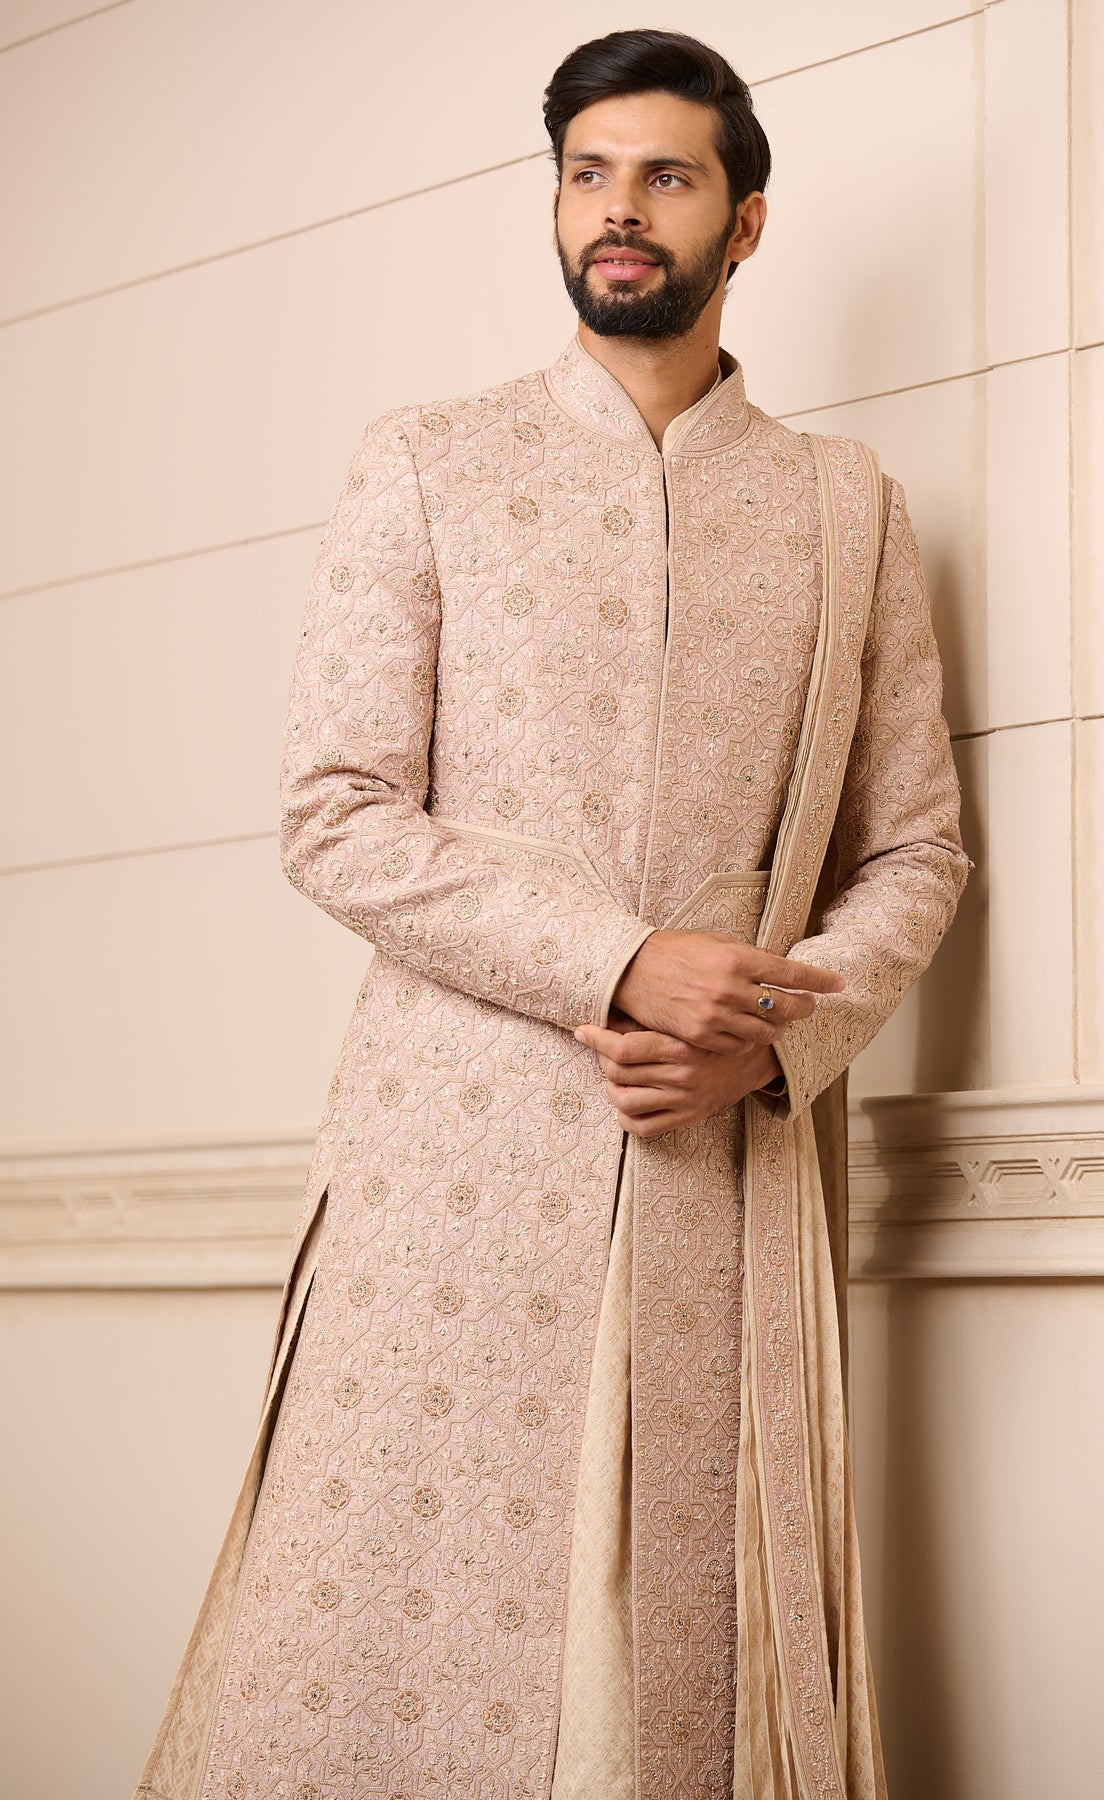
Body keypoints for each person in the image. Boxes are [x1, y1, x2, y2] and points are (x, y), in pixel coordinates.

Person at [135, 28, 968, 1800]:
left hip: (712, 1162)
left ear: (745, 221)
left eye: (666, 175)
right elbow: (336, 813)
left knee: (674, 1680)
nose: (620, 209)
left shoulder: (847, 511)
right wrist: (622, 961)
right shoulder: (432, 463)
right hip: (454, 1157)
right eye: (590, 173)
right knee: (385, 1651)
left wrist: (767, 1040)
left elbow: (914, 852)